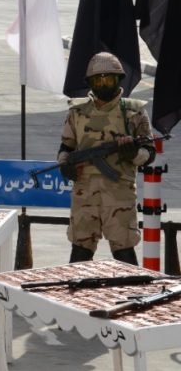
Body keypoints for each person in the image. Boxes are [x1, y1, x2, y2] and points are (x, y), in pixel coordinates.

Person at [59, 52, 154, 264]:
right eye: (97, 80)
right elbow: (66, 147)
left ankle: (134, 287)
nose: (103, 85)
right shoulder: (77, 111)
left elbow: (149, 154)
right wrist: (65, 165)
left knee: (124, 254)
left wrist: (134, 154)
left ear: (118, 79)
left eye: (108, 79)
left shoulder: (134, 111)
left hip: (119, 194)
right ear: (90, 83)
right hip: (84, 195)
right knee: (80, 253)